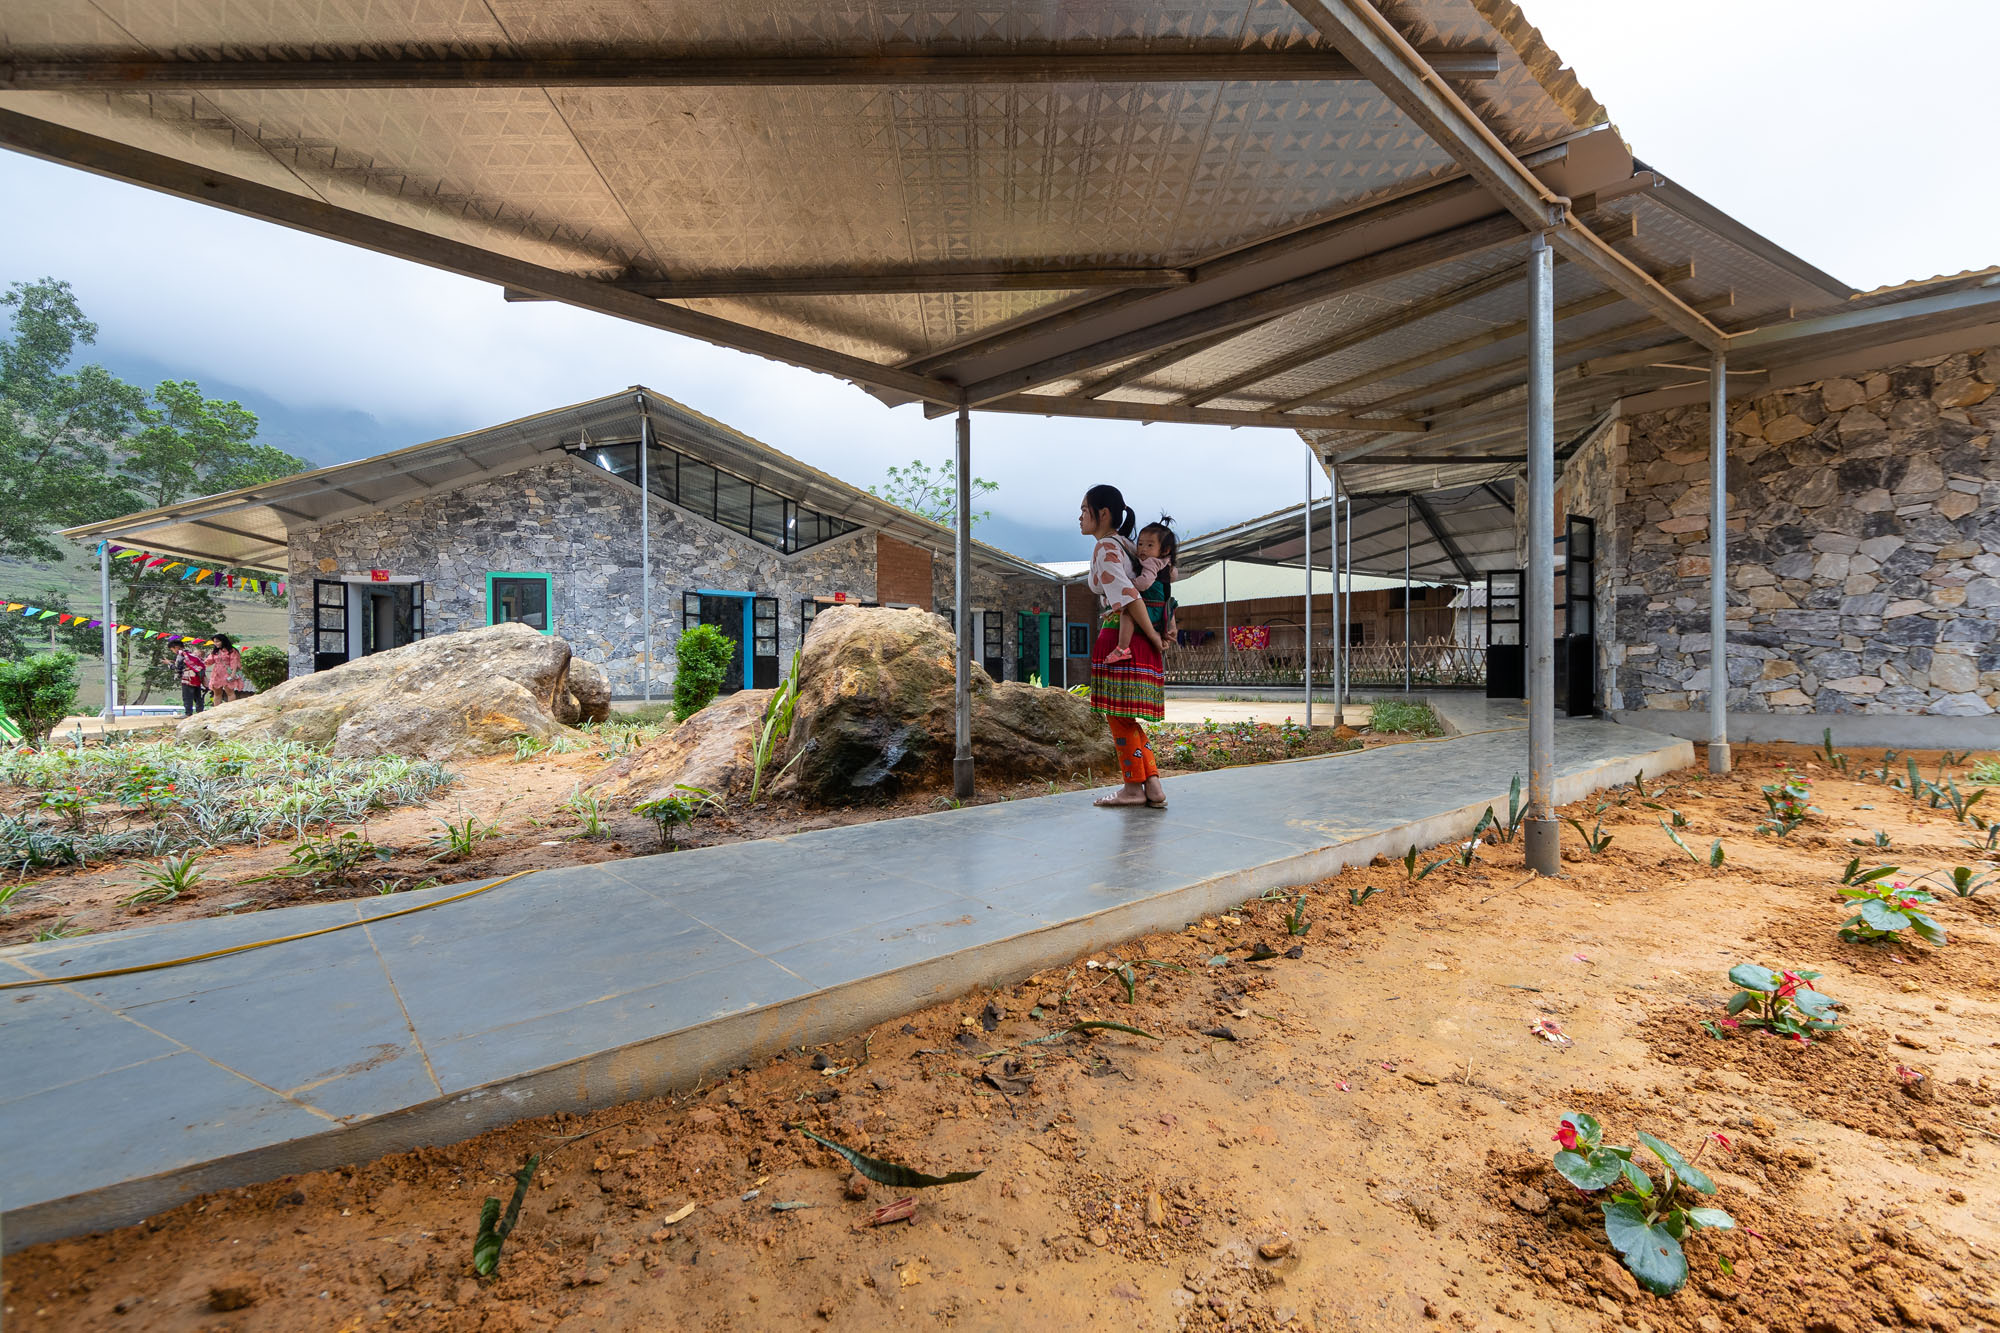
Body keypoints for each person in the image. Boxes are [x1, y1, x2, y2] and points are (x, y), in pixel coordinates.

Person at [1080, 484, 1167, 810]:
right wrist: (1154, 636)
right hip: (1141, 642)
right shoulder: (1129, 546)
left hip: (1122, 641)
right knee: (1126, 720)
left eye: (1084, 509)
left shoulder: (1106, 548)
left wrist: (1153, 636)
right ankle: (1153, 784)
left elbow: (1128, 596)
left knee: (1118, 719)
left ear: (1103, 514)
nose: (1079, 517)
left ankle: (1133, 786)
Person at [1104, 518, 1179, 664]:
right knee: (1167, 609)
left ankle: (1122, 648)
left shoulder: (1151, 563)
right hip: (1161, 608)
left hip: (1149, 607)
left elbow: (1144, 583)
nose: (1143, 549)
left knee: (1128, 613)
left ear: (1165, 550)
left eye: (1150, 545)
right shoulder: (1166, 564)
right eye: (1140, 544)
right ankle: (1166, 634)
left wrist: (1126, 584)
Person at [204, 634, 247, 706]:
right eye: (214, 642)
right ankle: (216, 710)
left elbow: (235, 662)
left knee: (230, 692)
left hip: (228, 673)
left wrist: (233, 674)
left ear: (223, 641)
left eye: (217, 641)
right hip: (216, 674)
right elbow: (209, 661)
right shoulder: (215, 652)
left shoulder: (232, 651)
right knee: (217, 693)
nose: (216, 643)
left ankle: (230, 709)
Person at [174, 643, 208, 717]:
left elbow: (178, 667)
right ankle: (200, 712)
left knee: (187, 697)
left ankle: (188, 713)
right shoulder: (201, 662)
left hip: (188, 679)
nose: (194, 653)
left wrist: (170, 664)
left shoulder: (185, 656)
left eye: (196, 652)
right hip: (198, 681)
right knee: (198, 697)